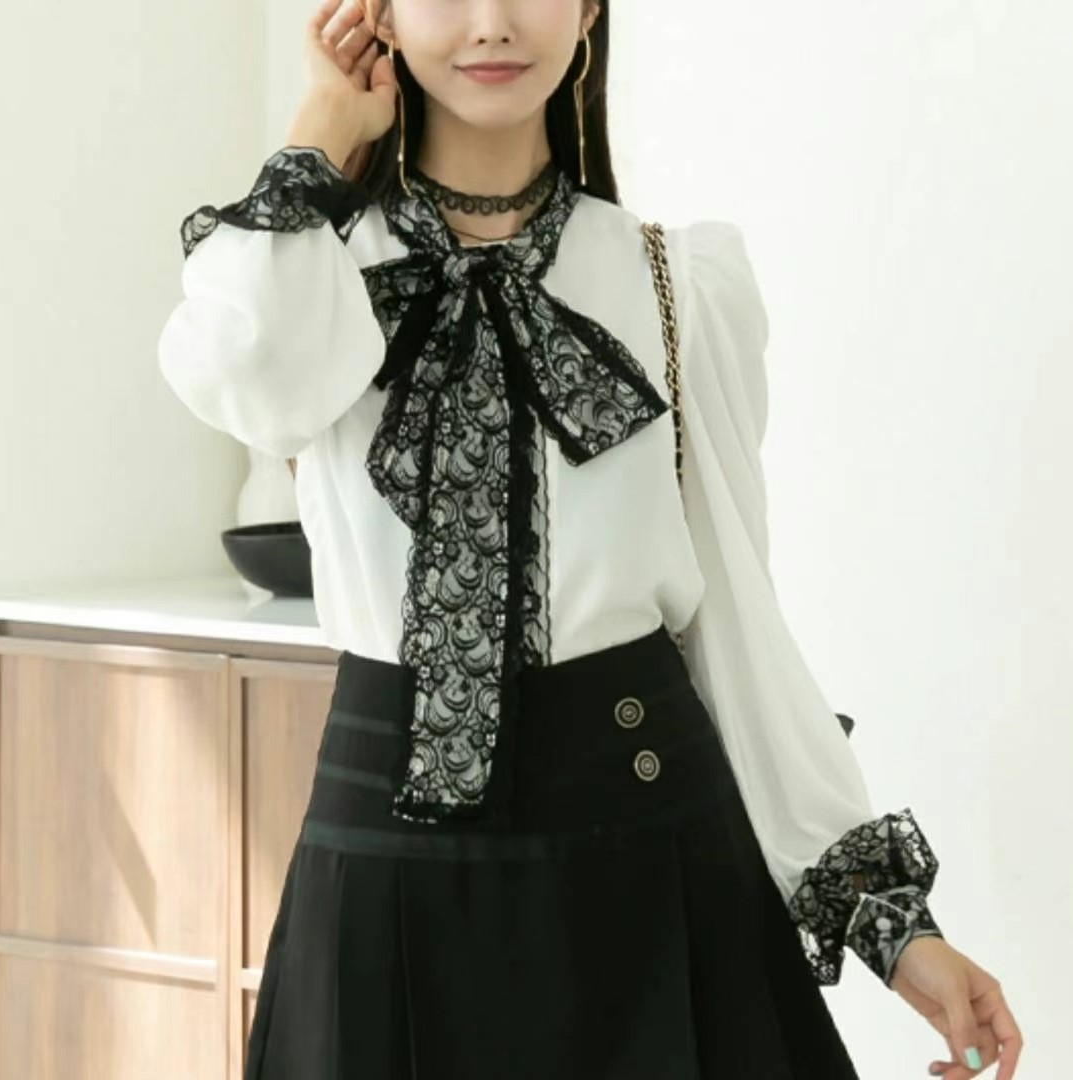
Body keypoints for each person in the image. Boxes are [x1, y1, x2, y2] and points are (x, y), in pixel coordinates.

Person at [157, 1, 1023, 1077]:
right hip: (385, 886)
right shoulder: (309, 273)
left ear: (587, 8)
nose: (490, 23)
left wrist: (888, 925)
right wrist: (324, 130)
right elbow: (236, 375)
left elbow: (736, 634)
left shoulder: (676, 286)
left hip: (653, 870)